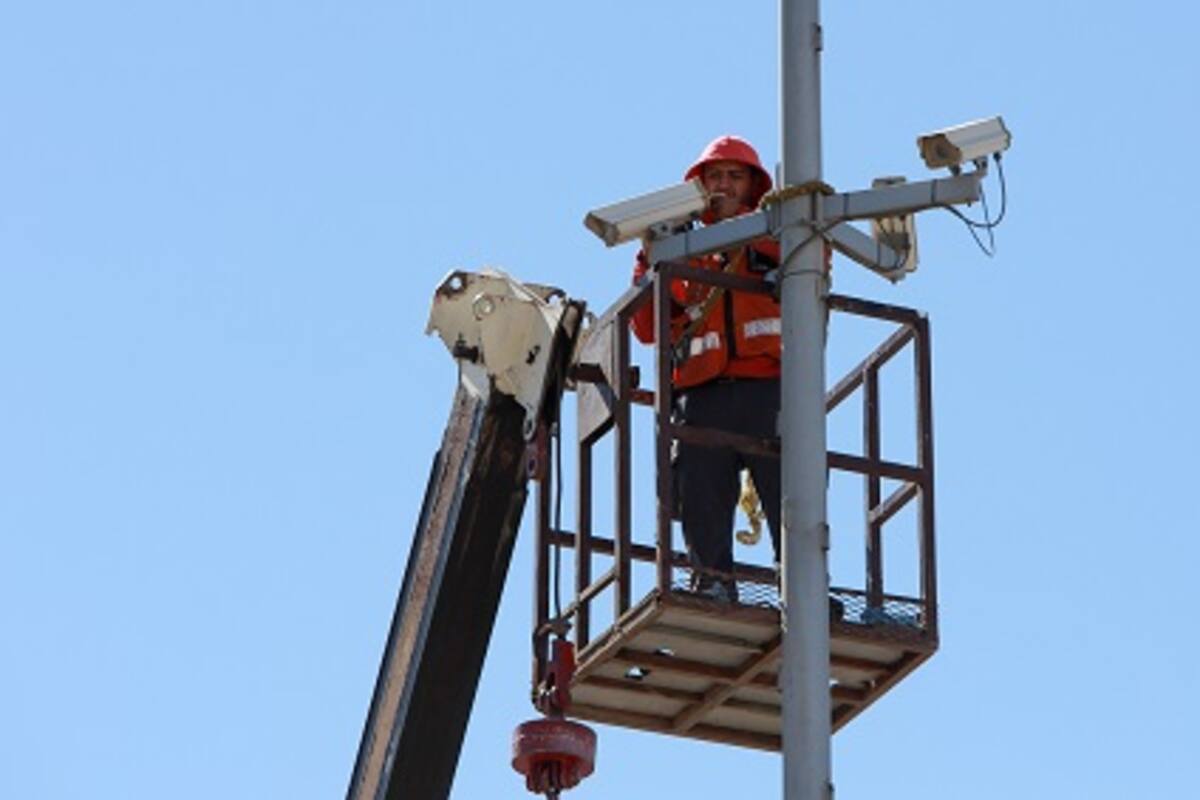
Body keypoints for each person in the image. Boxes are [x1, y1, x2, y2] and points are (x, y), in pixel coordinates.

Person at [630, 135, 784, 603]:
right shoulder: (678, 246)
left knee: (791, 490)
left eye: (735, 176)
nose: (724, 185)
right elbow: (645, 327)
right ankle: (711, 580)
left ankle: (803, 584)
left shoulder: (780, 232)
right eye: (715, 176)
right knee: (700, 491)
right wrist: (656, 258)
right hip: (702, 390)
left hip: (767, 387)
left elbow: (813, 262)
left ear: (753, 185)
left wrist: (757, 235)